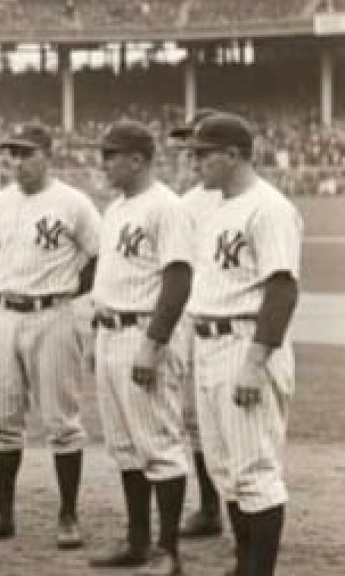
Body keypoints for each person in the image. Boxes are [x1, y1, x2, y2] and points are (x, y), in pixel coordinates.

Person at [0, 123, 100, 549]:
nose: (17, 162)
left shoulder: (74, 203)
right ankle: (3, 514)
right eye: (12, 154)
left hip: (54, 314)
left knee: (62, 422)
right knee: (2, 421)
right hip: (6, 312)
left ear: (47, 153)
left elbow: (100, 255)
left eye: (26, 153)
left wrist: (73, 290)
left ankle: (68, 515)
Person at [184, 113, 302, 576]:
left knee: (255, 473)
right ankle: (243, 565)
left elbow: (282, 290)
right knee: (226, 472)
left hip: (245, 344)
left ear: (233, 155)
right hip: (211, 345)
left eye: (202, 153)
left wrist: (254, 364)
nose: (195, 162)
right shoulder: (217, 208)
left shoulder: (268, 208)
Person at [88, 120, 193, 576]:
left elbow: (178, 279)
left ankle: (168, 552)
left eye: (113, 155)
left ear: (138, 159)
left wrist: (154, 343)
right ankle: (137, 542)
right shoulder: (116, 209)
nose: (105, 163)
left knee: (160, 445)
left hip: (143, 333)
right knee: (126, 446)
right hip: (111, 331)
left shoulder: (166, 207)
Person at [168, 109, 225, 538]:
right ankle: (209, 508)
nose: (190, 150)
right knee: (193, 417)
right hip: (192, 317)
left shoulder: (244, 197)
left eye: (197, 142)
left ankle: (245, 509)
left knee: (235, 422)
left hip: (232, 323)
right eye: (188, 142)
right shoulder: (184, 203)